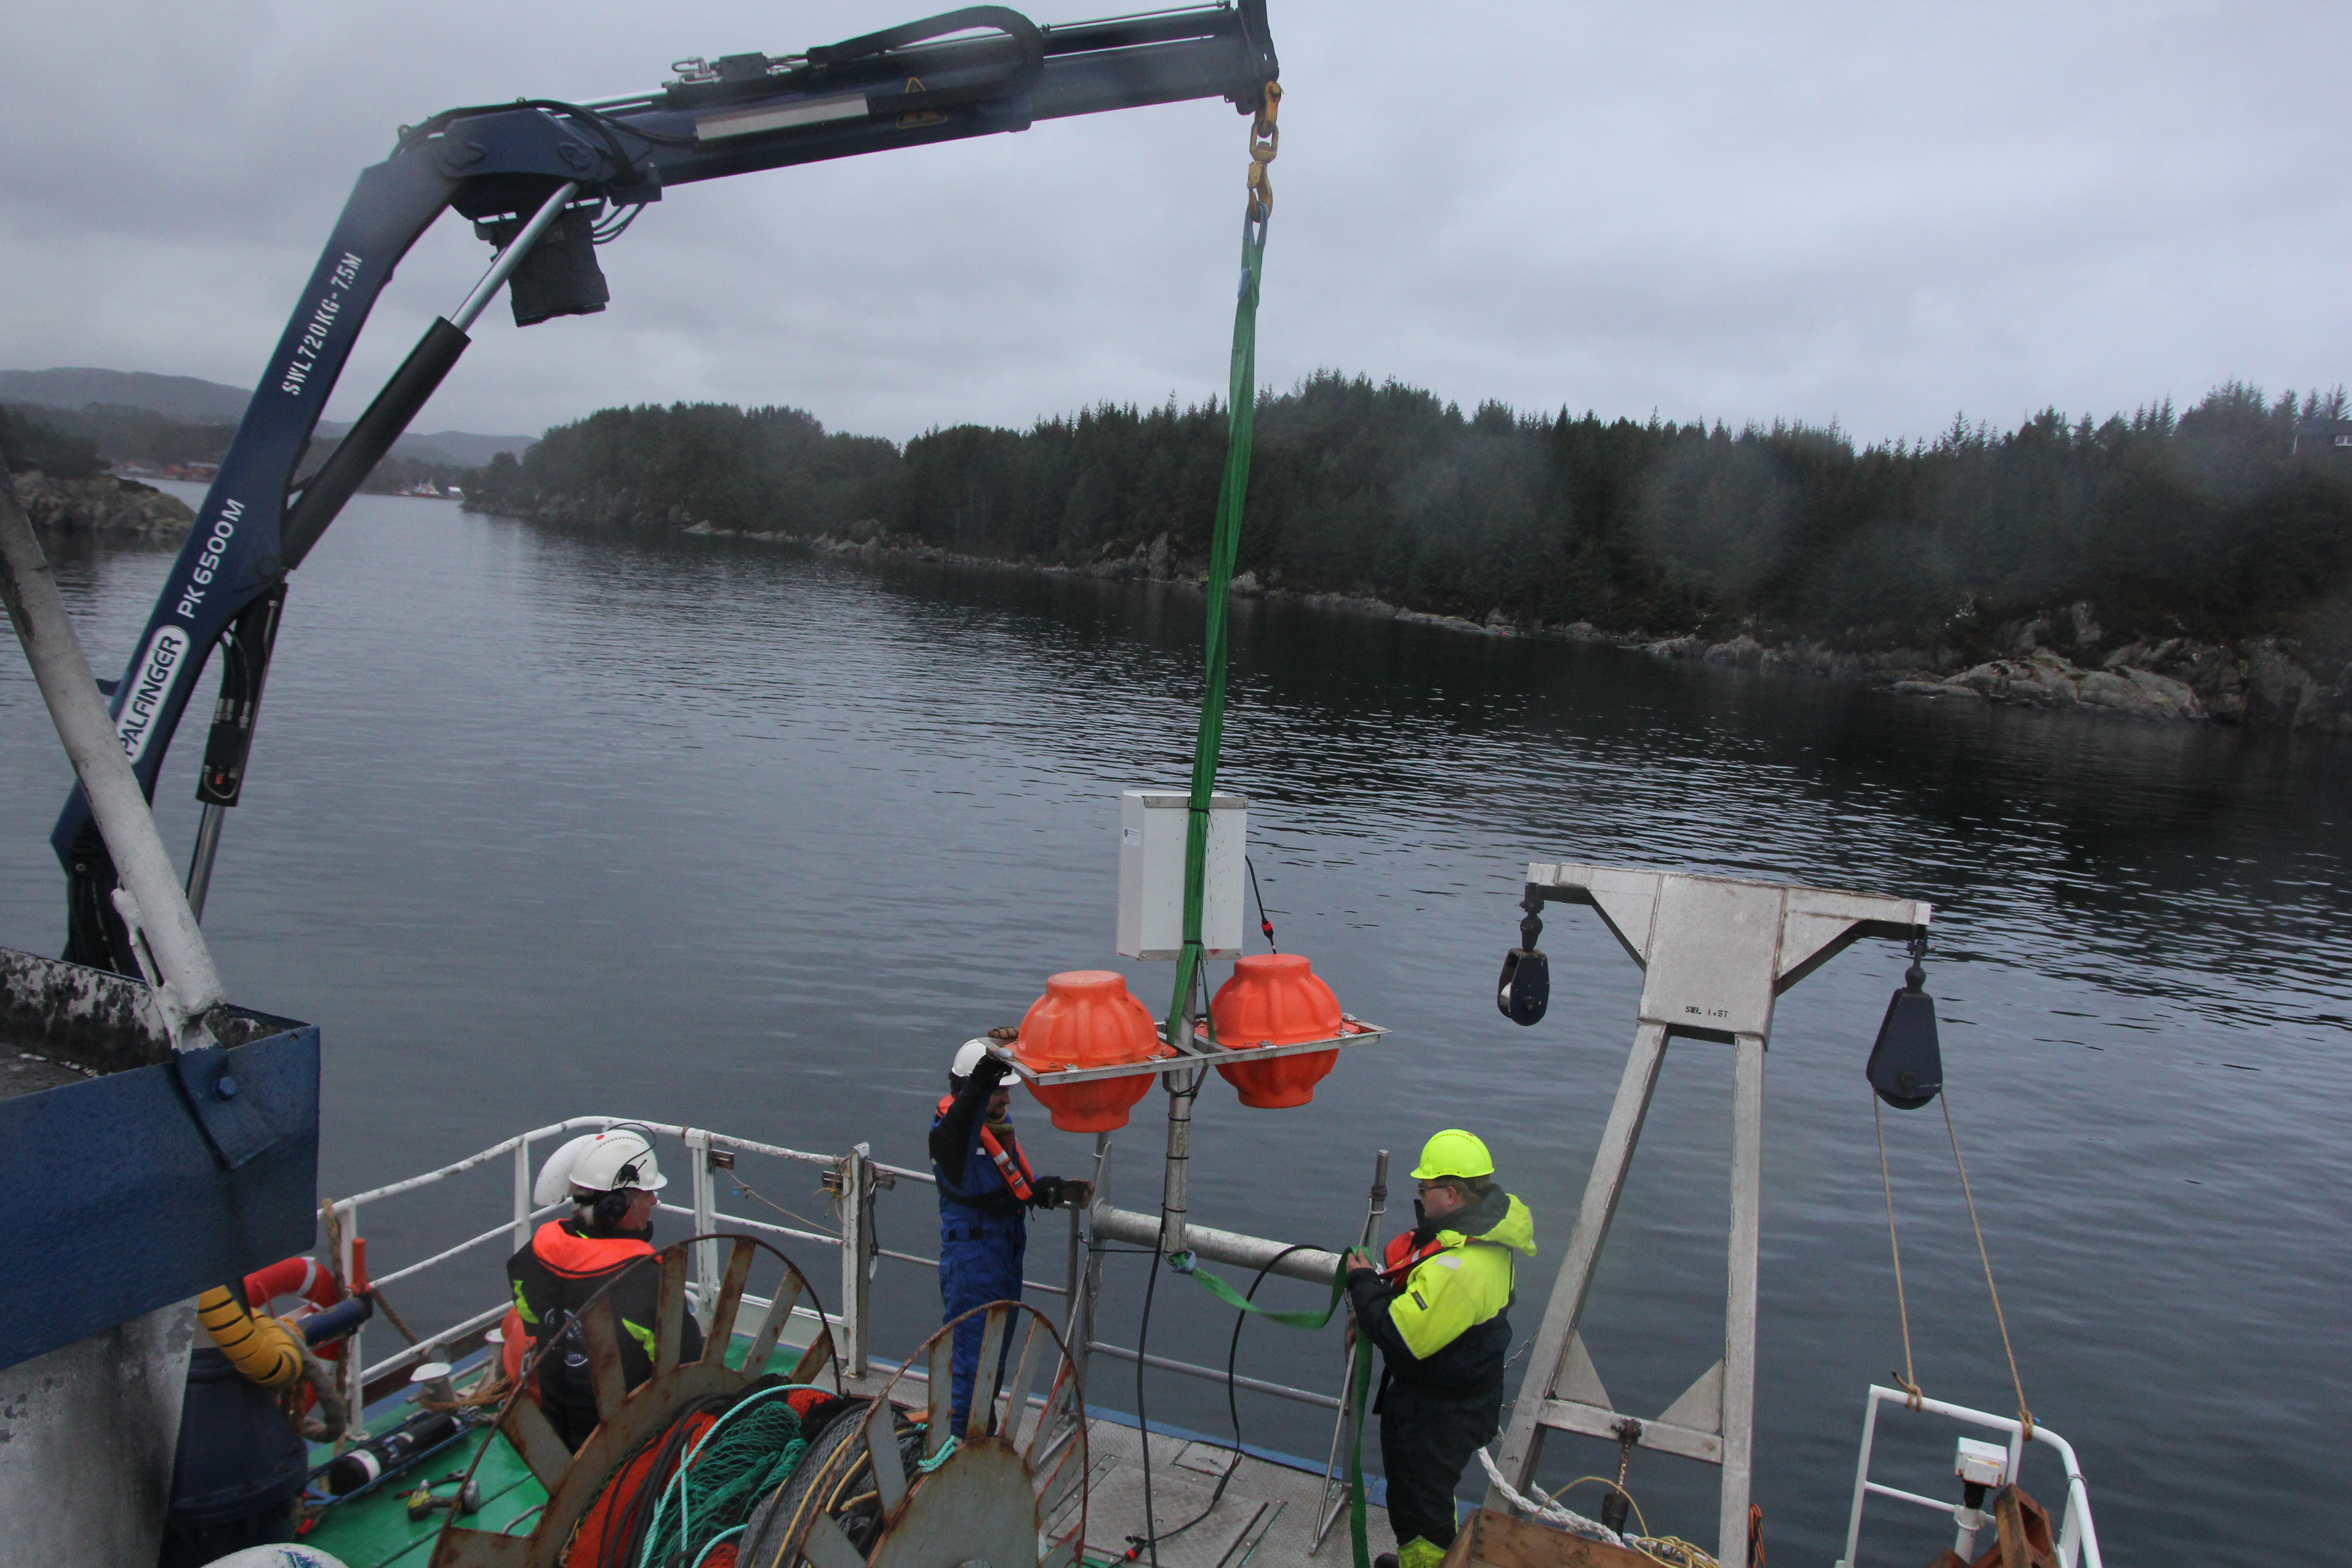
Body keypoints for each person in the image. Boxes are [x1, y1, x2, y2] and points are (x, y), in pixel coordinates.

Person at [1343, 1129, 1536, 1568]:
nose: (1420, 1195)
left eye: (1424, 1188)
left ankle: (1425, 1562)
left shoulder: (1460, 1265)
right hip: (1460, 1399)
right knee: (1435, 1495)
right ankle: (1435, 1557)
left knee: (1418, 1510)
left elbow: (1400, 1334)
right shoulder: (1484, 1239)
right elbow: (1431, 1307)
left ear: (1450, 1195)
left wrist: (1362, 1283)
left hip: (1436, 1413)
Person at [505, 1123, 703, 1450]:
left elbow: (529, 1322)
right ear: (617, 1207)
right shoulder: (648, 1284)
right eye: (647, 1194)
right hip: (625, 1441)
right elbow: (686, 1372)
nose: (654, 1201)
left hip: (557, 1429)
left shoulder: (528, 1260)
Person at [931, 1034, 1089, 1432]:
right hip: (973, 1263)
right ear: (973, 1091)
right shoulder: (951, 1137)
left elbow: (1006, 1191)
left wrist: (1048, 1191)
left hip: (1003, 1256)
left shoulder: (994, 1131)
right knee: (970, 1359)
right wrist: (985, 1077)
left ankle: (980, 1430)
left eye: (1007, 1091)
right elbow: (961, 1126)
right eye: (999, 1092)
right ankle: (959, 1447)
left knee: (994, 1357)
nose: (1008, 1101)